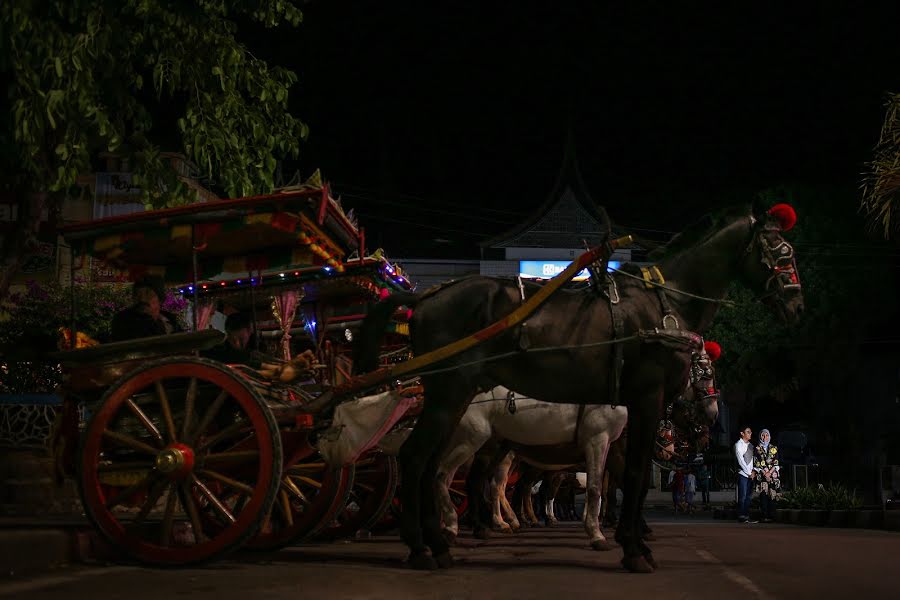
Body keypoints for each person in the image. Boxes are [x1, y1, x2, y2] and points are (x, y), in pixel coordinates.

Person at [110, 276, 183, 341]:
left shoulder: (170, 320)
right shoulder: (123, 320)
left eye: (148, 294)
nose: (142, 299)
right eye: (137, 295)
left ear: (160, 299)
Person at [754, 428, 781, 523]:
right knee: (764, 496)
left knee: (772, 494)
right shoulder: (757, 448)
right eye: (763, 435)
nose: (765, 437)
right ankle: (764, 515)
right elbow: (757, 462)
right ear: (760, 436)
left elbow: (776, 462)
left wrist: (770, 472)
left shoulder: (774, 448)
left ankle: (772, 515)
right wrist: (765, 472)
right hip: (763, 476)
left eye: (767, 435)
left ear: (769, 436)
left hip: (773, 476)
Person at [735, 425, 757, 523]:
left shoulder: (751, 445)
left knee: (748, 496)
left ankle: (746, 515)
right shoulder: (738, 445)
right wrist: (749, 473)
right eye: (748, 432)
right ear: (742, 433)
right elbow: (741, 461)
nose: (750, 433)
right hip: (743, 474)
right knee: (742, 496)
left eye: (750, 432)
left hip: (751, 474)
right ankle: (741, 515)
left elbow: (755, 460)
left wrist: (754, 471)